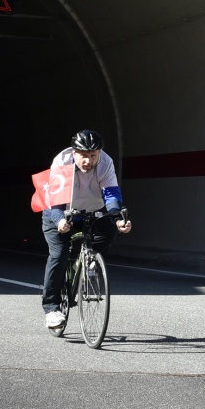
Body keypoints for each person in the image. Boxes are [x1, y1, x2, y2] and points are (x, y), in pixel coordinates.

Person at [41, 129, 132, 330]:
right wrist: (59, 221)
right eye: (83, 155)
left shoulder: (106, 163)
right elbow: (55, 202)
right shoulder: (61, 162)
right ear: (74, 152)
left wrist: (117, 219)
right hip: (60, 210)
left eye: (93, 156)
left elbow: (111, 195)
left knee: (108, 233)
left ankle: (88, 260)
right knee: (59, 254)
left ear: (99, 153)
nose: (88, 161)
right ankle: (51, 309)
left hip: (92, 208)